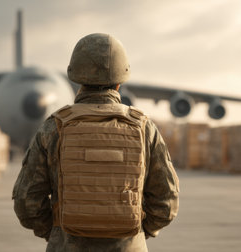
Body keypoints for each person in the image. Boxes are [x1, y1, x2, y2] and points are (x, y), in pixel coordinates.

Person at [12, 33, 179, 252]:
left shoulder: (53, 128)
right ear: (120, 82)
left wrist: (58, 232)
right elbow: (166, 201)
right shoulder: (144, 128)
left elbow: (26, 202)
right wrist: (135, 232)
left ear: (77, 78)